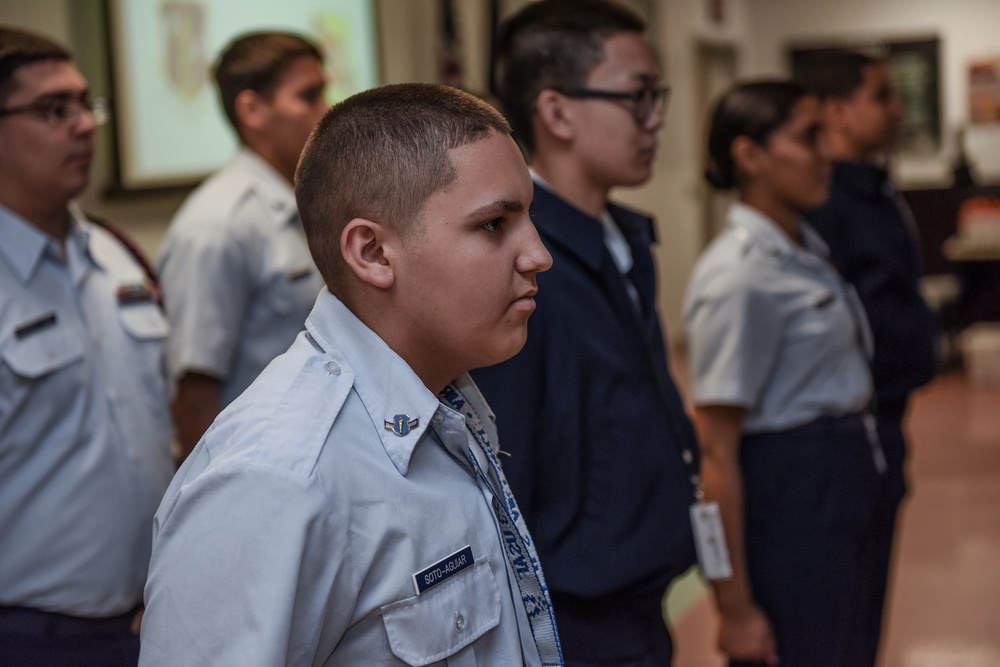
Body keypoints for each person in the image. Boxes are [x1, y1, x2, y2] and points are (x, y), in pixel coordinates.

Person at [139, 83, 562, 666]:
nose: (537, 254)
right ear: (373, 254)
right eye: (494, 225)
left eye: (529, 219)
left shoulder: (443, 402)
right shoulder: (277, 479)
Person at [469, 1, 699, 664]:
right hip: (572, 616)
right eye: (637, 98)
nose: (656, 119)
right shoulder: (521, 263)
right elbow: (505, 476)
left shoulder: (618, 236)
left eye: (658, 96)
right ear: (558, 111)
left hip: (637, 601)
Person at [685, 80, 883, 667]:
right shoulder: (737, 278)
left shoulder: (803, 242)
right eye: (808, 136)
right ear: (750, 156)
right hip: (794, 499)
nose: (828, 152)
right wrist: (734, 607)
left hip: (841, 480)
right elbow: (715, 454)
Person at [0, 26, 173, 666]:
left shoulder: (116, 254)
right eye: (53, 110)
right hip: (30, 637)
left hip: (152, 617)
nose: (83, 126)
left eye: (84, 104)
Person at [799, 51, 938, 666]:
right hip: (848, 423)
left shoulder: (874, 186)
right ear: (838, 112)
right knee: (837, 607)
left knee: (866, 597)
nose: (897, 109)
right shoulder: (826, 204)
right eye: (882, 96)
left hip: (887, 415)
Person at [158, 32, 328, 459]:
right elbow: (193, 396)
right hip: (258, 469)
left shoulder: (312, 203)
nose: (326, 111)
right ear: (252, 110)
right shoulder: (217, 224)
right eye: (309, 96)